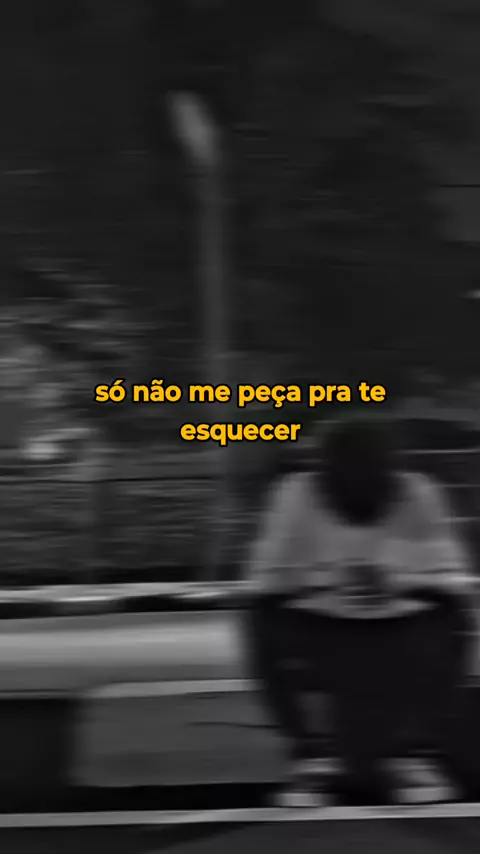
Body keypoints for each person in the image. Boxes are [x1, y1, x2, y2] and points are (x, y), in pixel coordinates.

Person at [246, 413, 475, 806]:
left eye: (370, 472)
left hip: (399, 622)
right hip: (323, 623)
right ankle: (312, 757)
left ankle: (417, 753)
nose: (358, 483)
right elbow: (267, 582)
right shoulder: (297, 493)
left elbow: (451, 577)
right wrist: (333, 581)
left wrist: (397, 582)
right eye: (346, 474)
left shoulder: (417, 491)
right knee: (256, 614)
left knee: (454, 612)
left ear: (389, 469)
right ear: (324, 472)